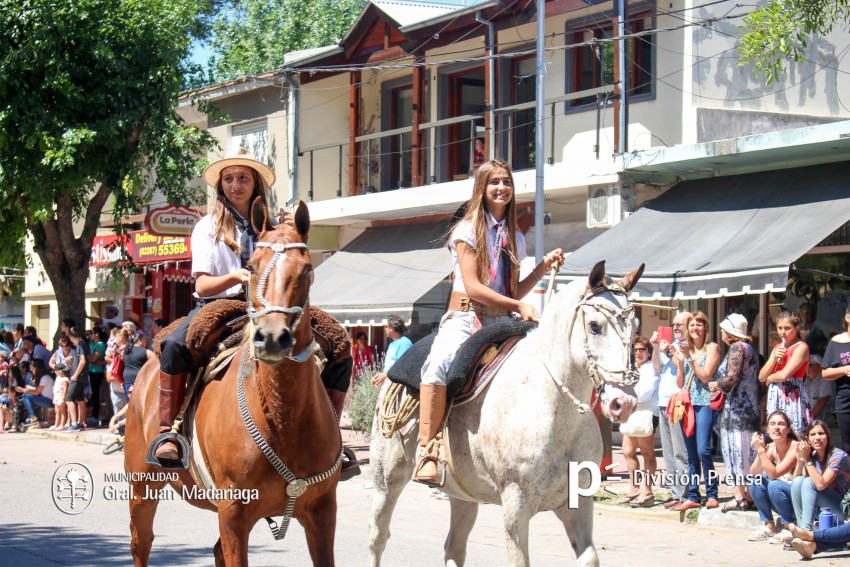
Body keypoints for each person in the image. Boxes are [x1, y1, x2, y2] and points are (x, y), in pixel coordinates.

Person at [414, 159, 564, 485]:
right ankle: (428, 451)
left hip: (503, 318)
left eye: (506, 182)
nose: (501, 188)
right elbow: (474, 287)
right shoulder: (466, 230)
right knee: (437, 366)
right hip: (467, 315)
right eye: (494, 182)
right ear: (482, 188)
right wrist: (518, 306)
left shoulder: (516, 237)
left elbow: (511, 290)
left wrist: (542, 268)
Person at [153, 147, 275, 462]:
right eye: (229, 178)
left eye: (243, 178)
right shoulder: (208, 226)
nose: (236, 185)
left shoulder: (272, 227)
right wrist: (234, 277)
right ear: (221, 185)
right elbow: (201, 285)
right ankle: (168, 432)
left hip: (268, 308)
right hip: (220, 306)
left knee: (331, 343)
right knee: (174, 345)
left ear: (255, 183)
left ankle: (328, 437)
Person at [671, 311, 722, 510]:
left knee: (703, 450)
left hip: (705, 403)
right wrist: (680, 361)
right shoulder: (687, 349)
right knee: (691, 453)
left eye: (699, 324)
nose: (695, 328)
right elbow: (680, 382)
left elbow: (705, 376)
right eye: (692, 325)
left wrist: (689, 358)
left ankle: (712, 493)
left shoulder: (712, 348)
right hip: (688, 404)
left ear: (705, 327)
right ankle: (693, 495)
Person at [713, 314, 760, 512]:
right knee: (748, 453)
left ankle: (740, 497)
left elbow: (732, 378)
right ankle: (749, 495)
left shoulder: (737, 348)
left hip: (737, 409)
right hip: (750, 407)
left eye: (723, 329)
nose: (721, 332)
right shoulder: (750, 348)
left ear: (730, 332)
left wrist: (716, 385)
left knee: (735, 451)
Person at [651, 312, 691, 508]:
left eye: (680, 324)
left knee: (680, 451)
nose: (676, 327)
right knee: (668, 452)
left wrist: (668, 352)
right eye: (674, 324)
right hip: (663, 402)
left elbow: (686, 367)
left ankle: (684, 494)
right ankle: (675, 493)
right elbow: (656, 366)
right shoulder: (669, 345)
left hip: (678, 402)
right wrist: (656, 346)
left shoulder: (687, 346)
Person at [748, 410, 803, 542]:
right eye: (772, 424)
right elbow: (754, 472)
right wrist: (760, 452)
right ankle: (769, 526)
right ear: (767, 429)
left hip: (799, 501)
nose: (776, 427)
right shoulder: (772, 447)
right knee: (756, 481)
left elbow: (774, 474)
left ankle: (790, 526)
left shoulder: (795, 447)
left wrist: (761, 451)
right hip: (781, 498)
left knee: (774, 484)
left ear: (788, 429)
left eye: (781, 424)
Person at [620, 336, 660, 508]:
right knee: (628, 451)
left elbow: (645, 393)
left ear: (649, 352)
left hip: (646, 412)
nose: (638, 353)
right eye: (636, 350)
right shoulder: (630, 368)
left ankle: (647, 491)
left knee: (647, 453)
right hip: (631, 412)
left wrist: (627, 396)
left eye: (642, 350)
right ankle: (634, 488)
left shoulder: (652, 368)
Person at [790, 420, 849, 532]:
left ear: (828, 436)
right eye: (813, 434)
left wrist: (807, 460)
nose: (817, 438)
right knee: (798, 481)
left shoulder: (838, 456)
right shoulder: (812, 455)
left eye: (821, 433)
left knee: (810, 482)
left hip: (843, 510)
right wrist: (801, 462)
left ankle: (806, 531)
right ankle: (801, 529)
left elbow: (820, 485)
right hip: (823, 510)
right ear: (808, 440)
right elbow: (796, 486)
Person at [760, 310, 811, 436]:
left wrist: (771, 378)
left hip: (792, 393)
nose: (783, 332)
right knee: (776, 432)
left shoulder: (801, 347)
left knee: (794, 431)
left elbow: (784, 375)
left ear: (796, 328)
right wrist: (773, 359)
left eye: (787, 328)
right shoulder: (778, 347)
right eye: (780, 328)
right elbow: (761, 377)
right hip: (776, 393)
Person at [822, 304, 850, 453]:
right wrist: (844, 370)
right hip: (845, 398)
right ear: (848, 317)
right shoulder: (836, 342)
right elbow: (825, 373)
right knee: (847, 444)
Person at [371, 314, 414, 387]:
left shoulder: (405, 343)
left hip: (398, 385)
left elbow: (402, 367)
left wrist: (385, 376)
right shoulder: (392, 344)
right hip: (389, 382)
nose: (385, 329)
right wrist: (381, 376)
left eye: (386, 326)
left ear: (392, 328)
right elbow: (389, 365)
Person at [64, 327, 91, 432]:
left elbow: (83, 361)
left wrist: (75, 375)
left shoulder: (80, 345)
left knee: (69, 398)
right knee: (80, 399)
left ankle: (74, 423)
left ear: (72, 336)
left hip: (78, 377)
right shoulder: (83, 345)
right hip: (82, 377)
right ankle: (80, 422)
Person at [18, 359, 54, 428]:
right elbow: (38, 390)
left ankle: (33, 417)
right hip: (44, 398)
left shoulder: (45, 378)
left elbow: (37, 393)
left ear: (36, 367)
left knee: (25, 396)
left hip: (48, 400)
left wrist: (25, 390)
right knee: (25, 397)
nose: (29, 366)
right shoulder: (40, 377)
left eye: (31, 364)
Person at [807, 354, 836, 425]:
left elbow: (822, 401)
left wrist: (808, 419)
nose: (807, 368)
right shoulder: (807, 380)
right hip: (811, 417)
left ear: (820, 367)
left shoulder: (825, 379)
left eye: (810, 365)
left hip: (824, 418)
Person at [88, 328, 107, 427]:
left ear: (96, 334)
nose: (90, 336)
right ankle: (92, 414)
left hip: (98, 371)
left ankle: (95, 415)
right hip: (90, 370)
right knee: (92, 393)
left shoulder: (101, 345)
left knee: (95, 393)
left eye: (91, 334)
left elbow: (93, 358)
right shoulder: (91, 344)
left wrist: (89, 357)